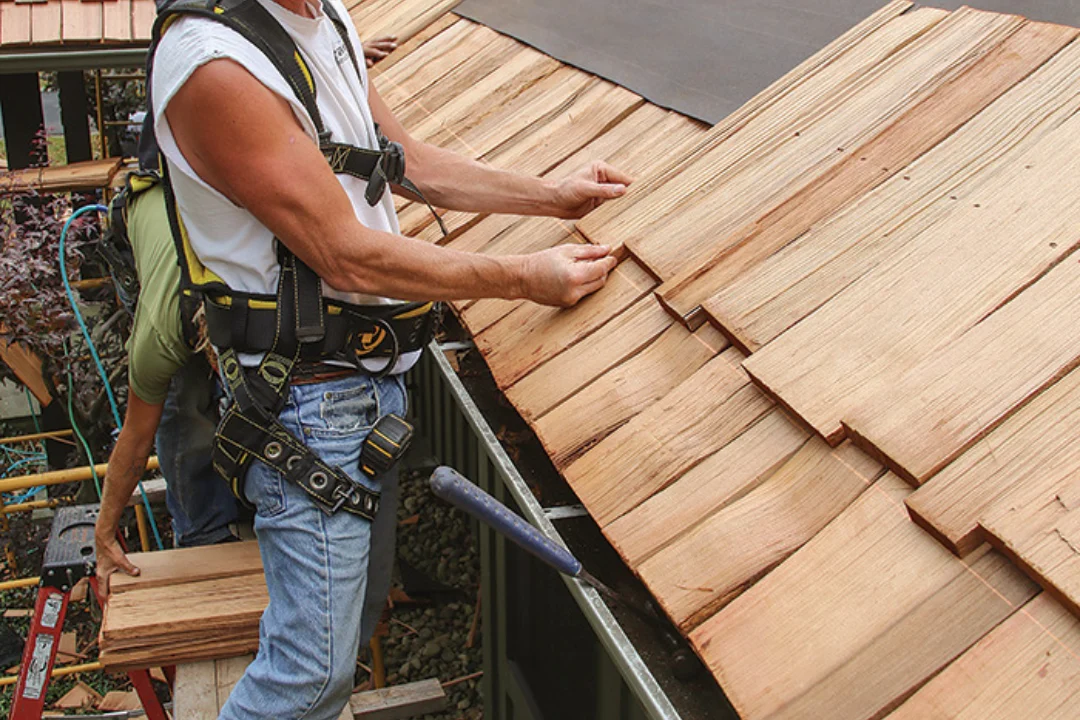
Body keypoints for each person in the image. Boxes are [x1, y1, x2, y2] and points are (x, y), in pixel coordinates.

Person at [99, 0, 629, 716]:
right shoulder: (212, 63)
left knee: (333, 655)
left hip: (365, 396)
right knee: (308, 676)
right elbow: (342, 255)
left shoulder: (326, 18)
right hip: (308, 410)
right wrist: (524, 277)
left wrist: (552, 198)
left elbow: (411, 165)